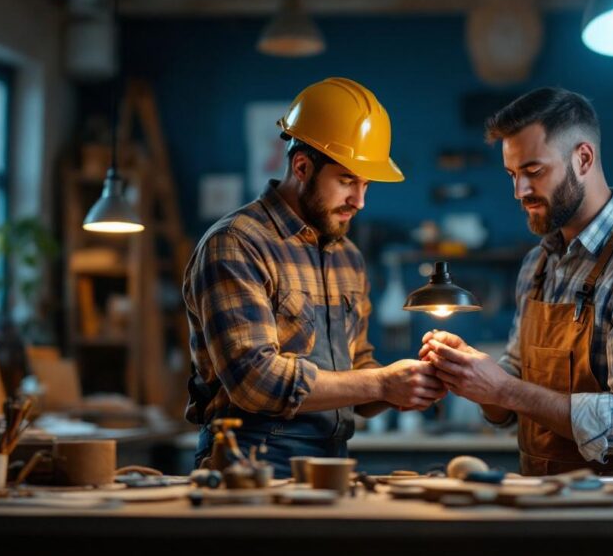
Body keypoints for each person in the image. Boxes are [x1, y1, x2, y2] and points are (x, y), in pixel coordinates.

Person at [422, 87, 613, 476]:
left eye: (534, 171)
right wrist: (471, 373)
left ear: (583, 158)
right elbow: (510, 407)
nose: (519, 192)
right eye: (512, 174)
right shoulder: (538, 264)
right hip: (546, 500)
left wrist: (504, 388)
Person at [184, 78, 445, 477]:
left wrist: (408, 385)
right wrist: (380, 383)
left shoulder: (347, 256)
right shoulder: (236, 244)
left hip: (331, 458)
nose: (359, 201)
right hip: (249, 458)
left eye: (366, 184)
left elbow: (359, 372)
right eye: (347, 181)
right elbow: (254, 380)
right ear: (302, 167)